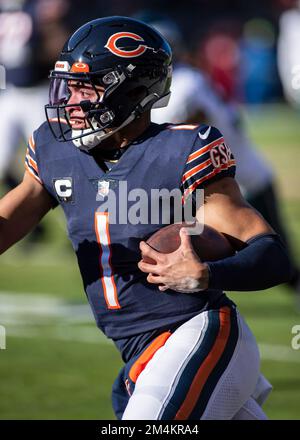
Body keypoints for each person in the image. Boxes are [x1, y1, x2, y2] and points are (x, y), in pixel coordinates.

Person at [0, 16, 292, 420]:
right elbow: (7, 222)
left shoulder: (182, 149)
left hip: (197, 332)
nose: (70, 100)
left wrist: (207, 274)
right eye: (69, 85)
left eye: (86, 88)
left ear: (132, 91)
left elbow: (273, 255)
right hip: (139, 355)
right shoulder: (55, 148)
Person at [148, 15, 300, 297]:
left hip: (232, 181)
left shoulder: (184, 84)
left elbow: (171, 132)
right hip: (229, 176)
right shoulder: (189, 78)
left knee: (274, 262)